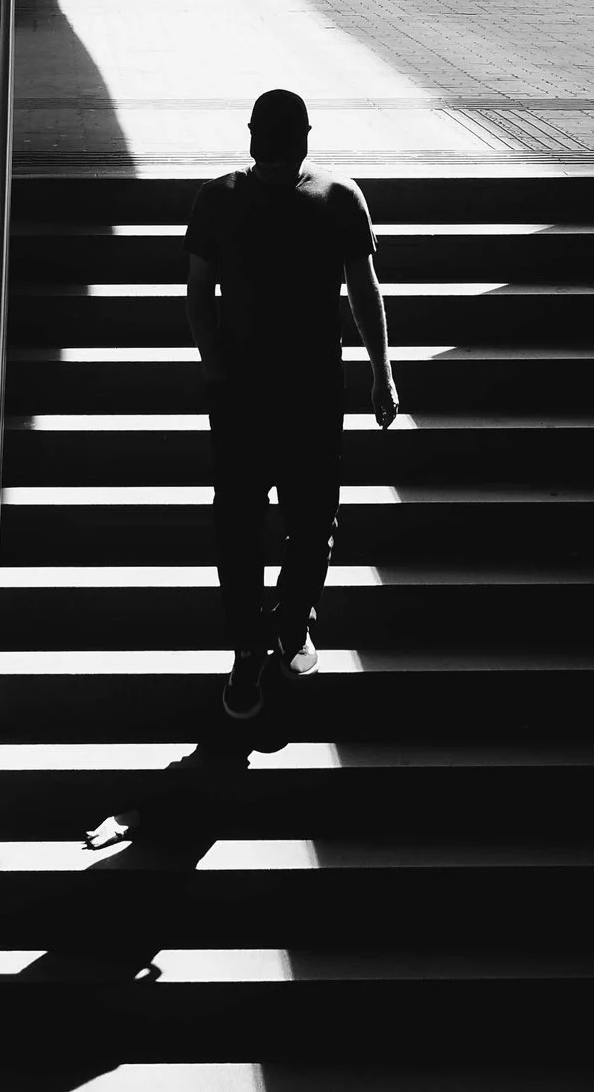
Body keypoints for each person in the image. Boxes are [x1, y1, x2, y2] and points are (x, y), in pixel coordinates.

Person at [185, 89, 397, 722]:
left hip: (285, 393)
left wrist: (381, 372)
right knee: (283, 523)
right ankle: (271, 633)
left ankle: (276, 629)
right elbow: (363, 292)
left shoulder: (232, 197)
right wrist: (380, 374)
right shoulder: (330, 197)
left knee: (277, 523)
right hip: (277, 394)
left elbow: (200, 294)